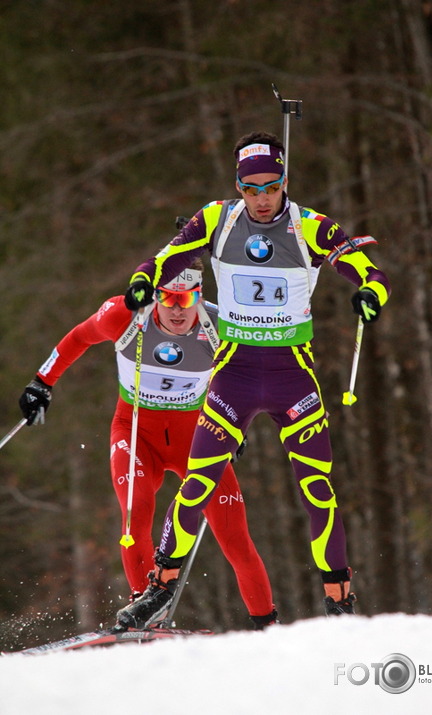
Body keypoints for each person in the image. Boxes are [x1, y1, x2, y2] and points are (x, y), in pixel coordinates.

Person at [119, 130, 391, 627]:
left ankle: (339, 600)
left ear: (285, 181)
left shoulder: (310, 226)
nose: (262, 198)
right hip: (234, 376)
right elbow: (164, 260)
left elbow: (367, 270)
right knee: (197, 484)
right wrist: (143, 280)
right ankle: (158, 586)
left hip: (293, 378)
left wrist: (371, 294)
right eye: (252, 188)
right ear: (238, 186)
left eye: (272, 186)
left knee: (317, 489)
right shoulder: (217, 220)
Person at [18, 259, 276, 630]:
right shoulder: (125, 315)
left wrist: (235, 424)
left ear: (199, 297)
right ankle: (145, 615)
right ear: (155, 295)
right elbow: (79, 337)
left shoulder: (222, 325)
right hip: (135, 432)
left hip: (197, 437)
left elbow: (251, 379)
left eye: (184, 299)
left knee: (235, 537)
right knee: (134, 514)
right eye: (166, 298)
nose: (174, 309)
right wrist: (41, 382)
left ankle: (268, 629)